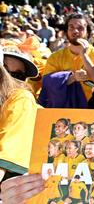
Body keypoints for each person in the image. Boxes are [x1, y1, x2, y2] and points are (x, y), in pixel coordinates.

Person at [40, 13, 94, 107]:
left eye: (80, 28)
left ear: (88, 32)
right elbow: (48, 84)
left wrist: (84, 55)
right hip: (64, 112)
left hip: (93, 110)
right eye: (71, 27)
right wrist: (72, 78)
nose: (75, 31)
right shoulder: (55, 57)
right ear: (66, 31)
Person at [0, 49, 40, 184]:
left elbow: (5, 155)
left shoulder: (22, 98)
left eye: (18, 75)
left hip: (9, 184)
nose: (10, 78)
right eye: (5, 69)